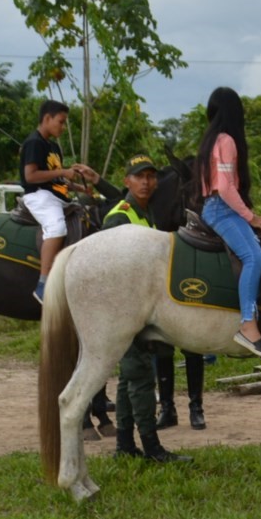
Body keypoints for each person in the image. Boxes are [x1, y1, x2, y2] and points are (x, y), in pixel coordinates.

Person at [103, 155, 186, 464]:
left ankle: (124, 445)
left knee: (128, 379)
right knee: (140, 377)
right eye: (139, 177)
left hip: (141, 309)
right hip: (127, 312)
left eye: (151, 177)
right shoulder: (119, 217)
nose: (146, 182)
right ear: (127, 181)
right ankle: (152, 448)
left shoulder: (146, 214)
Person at [195, 86, 261, 357]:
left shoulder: (211, 140)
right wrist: (251, 217)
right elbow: (225, 187)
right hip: (221, 209)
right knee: (255, 257)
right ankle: (248, 325)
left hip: (214, 206)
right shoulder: (227, 141)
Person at [21, 100, 98, 304]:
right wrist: (63, 171)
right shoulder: (34, 142)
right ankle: (43, 284)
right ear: (47, 118)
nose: (63, 127)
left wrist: (80, 188)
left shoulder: (53, 147)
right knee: (56, 228)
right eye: (61, 122)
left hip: (56, 196)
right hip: (39, 195)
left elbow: (56, 180)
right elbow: (31, 176)